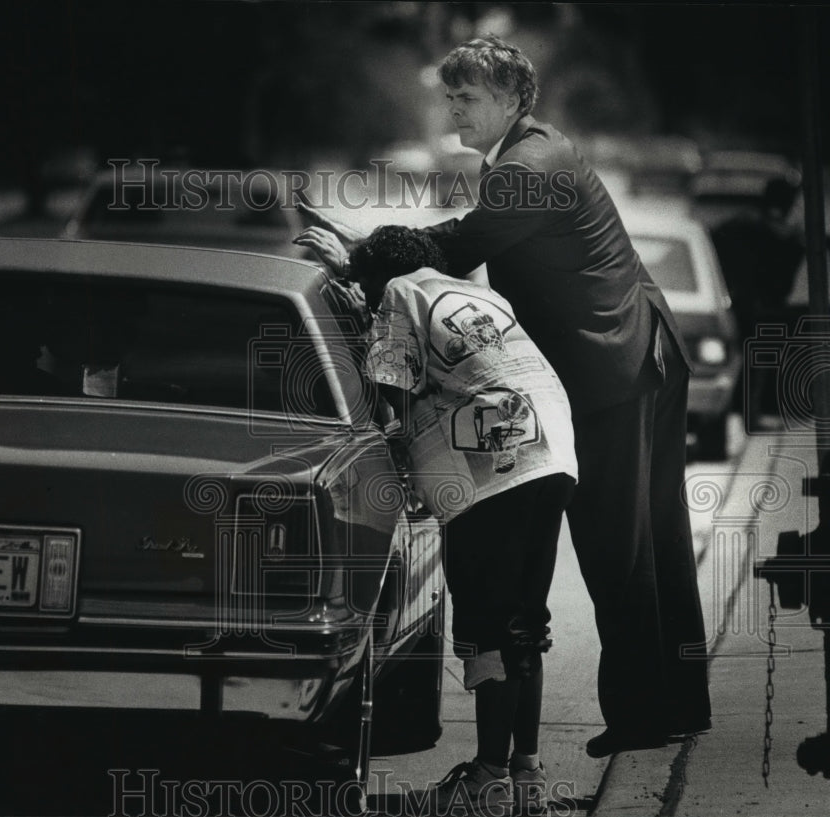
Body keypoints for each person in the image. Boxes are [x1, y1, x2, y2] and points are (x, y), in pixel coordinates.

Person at [295, 34, 712, 759]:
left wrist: (357, 255)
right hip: (632, 349)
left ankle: (647, 712)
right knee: (652, 538)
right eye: (449, 96)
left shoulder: (530, 166)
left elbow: (459, 245)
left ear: (516, 100)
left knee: (620, 543)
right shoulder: (525, 156)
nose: (455, 110)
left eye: (470, 97)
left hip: (613, 361)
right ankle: (672, 703)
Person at [345, 224, 576, 816]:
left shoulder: (399, 292)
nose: (371, 300)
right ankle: (525, 776)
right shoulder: (481, 296)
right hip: (551, 454)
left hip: (489, 466)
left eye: (367, 287)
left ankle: (488, 779)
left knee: (484, 623)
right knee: (525, 620)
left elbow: (389, 391)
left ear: (383, 273)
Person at [710, 176, 804, 428]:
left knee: (739, 359)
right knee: (754, 360)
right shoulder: (775, 233)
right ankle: (749, 415)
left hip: (737, 298)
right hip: (756, 304)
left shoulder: (737, 224)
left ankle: (739, 414)